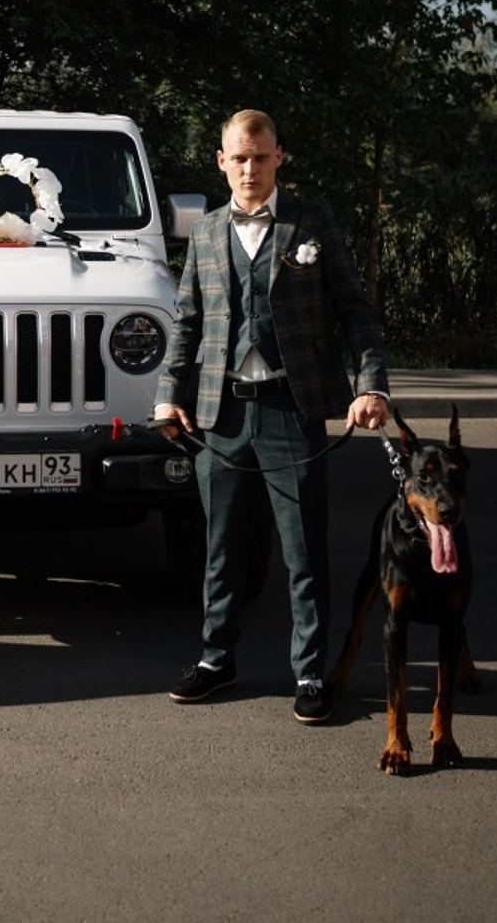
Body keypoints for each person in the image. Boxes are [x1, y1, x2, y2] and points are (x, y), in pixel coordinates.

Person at [154, 109, 388, 723]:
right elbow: (185, 324)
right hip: (220, 413)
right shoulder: (204, 233)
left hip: (292, 407)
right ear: (221, 161)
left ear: (279, 157)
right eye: (240, 157)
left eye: (261, 157)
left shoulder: (312, 222)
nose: (250, 168)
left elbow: (354, 311)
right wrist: (166, 395)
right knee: (221, 547)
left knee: (303, 551)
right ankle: (215, 660)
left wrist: (371, 387)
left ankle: (310, 672)